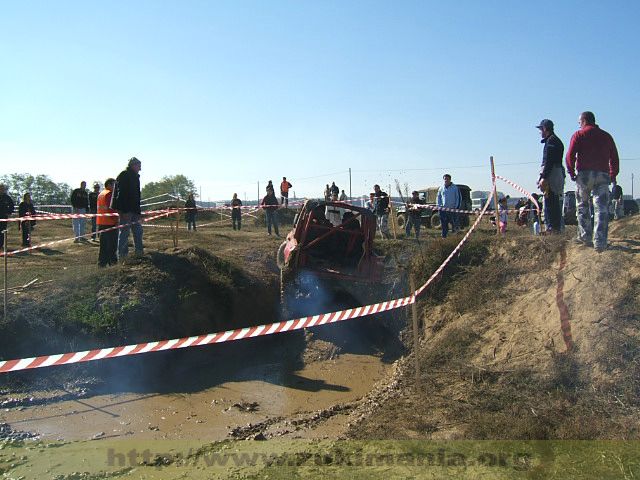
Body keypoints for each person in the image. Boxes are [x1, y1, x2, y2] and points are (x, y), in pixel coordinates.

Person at [566, 111, 619, 252]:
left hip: (584, 175)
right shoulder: (606, 136)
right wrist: (613, 174)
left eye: (579, 122)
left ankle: (585, 237)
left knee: (582, 205)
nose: (578, 125)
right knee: (601, 209)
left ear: (584, 121)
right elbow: (614, 157)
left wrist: (571, 172)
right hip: (602, 175)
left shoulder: (579, 135)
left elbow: (570, 155)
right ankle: (600, 242)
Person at [535, 119, 565, 233]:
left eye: (540, 129)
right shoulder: (554, 140)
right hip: (555, 172)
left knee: (550, 201)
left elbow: (549, 161)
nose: (539, 133)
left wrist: (544, 177)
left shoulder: (551, 141)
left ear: (545, 129)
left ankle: (552, 229)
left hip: (552, 174)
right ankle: (553, 228)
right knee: (552, 201)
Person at [113, 157, 143, 259]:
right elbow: (121, 194)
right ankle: (122, 256)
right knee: (125, 232)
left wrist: (138, 211)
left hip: (134, 209)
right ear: (132, 165)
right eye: (138, 165)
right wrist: (124, 210)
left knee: (138, 231)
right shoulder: (124, 175)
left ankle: (139, 253)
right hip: (126, 210)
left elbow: (137, 195)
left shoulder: (136, 177)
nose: (140, 167)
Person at [97, 178, 118, 267]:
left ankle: (102, 263)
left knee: (103, 246)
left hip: (101, 222)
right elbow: (111, 209)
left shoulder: (101, 194)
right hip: (110, 223)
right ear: (109, 185)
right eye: (114, 185)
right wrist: (117, 220)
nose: (115, 187)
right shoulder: (109, 194)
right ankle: (112, 263)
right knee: (112, 246)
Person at [436, 174, 461, 238]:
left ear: (450, 179)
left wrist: (456, 207)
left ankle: (455, 238)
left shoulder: (455, 188)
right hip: (443, 210)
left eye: (447, 179)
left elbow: (458, 198)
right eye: (445, 179)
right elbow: (438, 198)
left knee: (454, 225)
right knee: (444, 225)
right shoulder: (441, 188)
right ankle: (444, 237)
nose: (446, 180)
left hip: (453, 210)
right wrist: (439, 206)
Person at [0, 184, 14, 250]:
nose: (1, 190)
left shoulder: (7, 197)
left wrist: (9, 212)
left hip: (3, 217)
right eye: (0, 188)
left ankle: (1, 245)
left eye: (2, 188)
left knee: (2, 231)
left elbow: (12, 205)